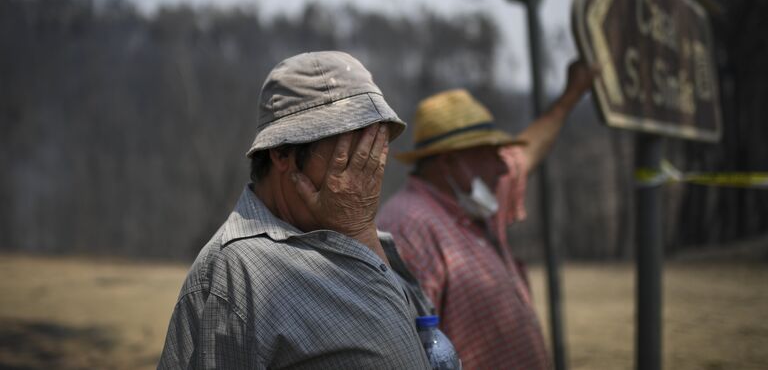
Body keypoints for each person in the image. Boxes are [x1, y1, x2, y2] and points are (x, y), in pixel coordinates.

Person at [158, 51, 432, 369]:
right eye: (351, 150)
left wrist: (361, 231)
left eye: (373, 145)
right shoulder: (234, 274)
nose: (369, 165)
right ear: (282, 153)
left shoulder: (364, 234)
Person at [377, 60, 598, 369]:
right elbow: (407, 352)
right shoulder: (408, 228)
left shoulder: (475, 202)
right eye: (489, 155)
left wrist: (571, 95)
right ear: (450, 162)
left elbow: (528, 152)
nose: (503, 166)